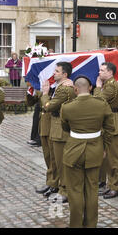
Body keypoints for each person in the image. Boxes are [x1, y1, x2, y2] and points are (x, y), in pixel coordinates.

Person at [60, 75, 115, 228]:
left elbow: (65, 127)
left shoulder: (67, 107)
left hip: (73, 152)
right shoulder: (101, 104)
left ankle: (76, 224)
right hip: (95, 150)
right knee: (92, 190)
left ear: (75, 89)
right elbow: (110, 128)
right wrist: (104, 147)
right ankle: (91, 224)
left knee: (75, 191)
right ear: (90, 88)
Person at [41, 62, 76, 203]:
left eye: (57, 71)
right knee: (55, 160)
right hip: (55, 127)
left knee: (62, 163)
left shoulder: (65, 89)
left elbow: (49, 106)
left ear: (65, 74)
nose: (54, 73)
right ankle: (56, 185)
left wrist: (44, 94)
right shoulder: (60, 87)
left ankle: (65, 191)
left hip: (61, 130)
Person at [95, 62, 118, 199]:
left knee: (114, 159)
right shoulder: (110, 84)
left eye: (102, 70)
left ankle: (116, 187)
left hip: (113, 124)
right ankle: (110, 185)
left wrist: (97, 87)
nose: (99, 73)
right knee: (107, 158)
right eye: (100, 70)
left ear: (110, 72)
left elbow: (97, 102)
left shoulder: (112, 85)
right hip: (108, 122)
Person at [26, 83, 59, 197]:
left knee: (54, 158)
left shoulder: (59, 90)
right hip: (44, 126)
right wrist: (31, 90)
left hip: (53, 125)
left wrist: (45, 93)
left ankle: (53, 183)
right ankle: (50, 181)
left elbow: (48, 105)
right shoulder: (43, 89)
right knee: (47, 156)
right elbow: (30, 103)